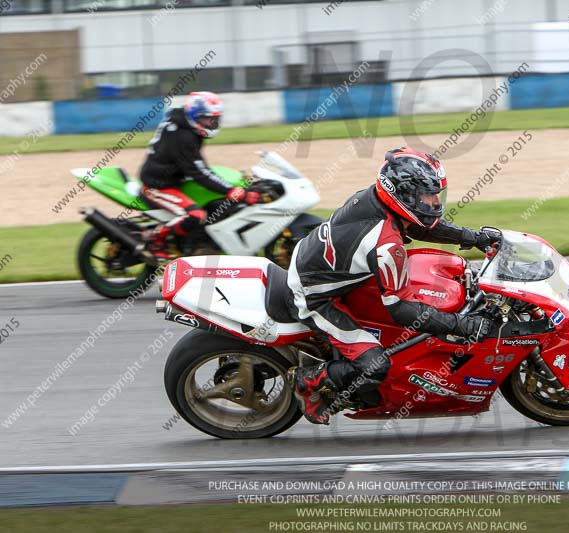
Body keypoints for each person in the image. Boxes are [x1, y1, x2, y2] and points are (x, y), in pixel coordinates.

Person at [287, 147, 500, 424]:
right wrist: (463, 326)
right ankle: (309, 380)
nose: (434, 202)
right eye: (426, 195)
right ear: (402, 194)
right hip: (315, 296)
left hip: (335, 271)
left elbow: (423, 226)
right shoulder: (386, 244)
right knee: (375, 366)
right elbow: (401, 310)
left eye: (436, 193)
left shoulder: (378, 199)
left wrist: (473, 238)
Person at [140, 91, 260, 260]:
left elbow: (198, 167)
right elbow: (199, 172)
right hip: (158, 185)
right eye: (207, 118)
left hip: (173, 178)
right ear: (194, 115)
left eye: (215, 118)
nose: (212, 122)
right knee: (196, 215)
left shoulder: (182, 124)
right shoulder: (183, 136)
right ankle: (155, 239)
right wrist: (232, 191)